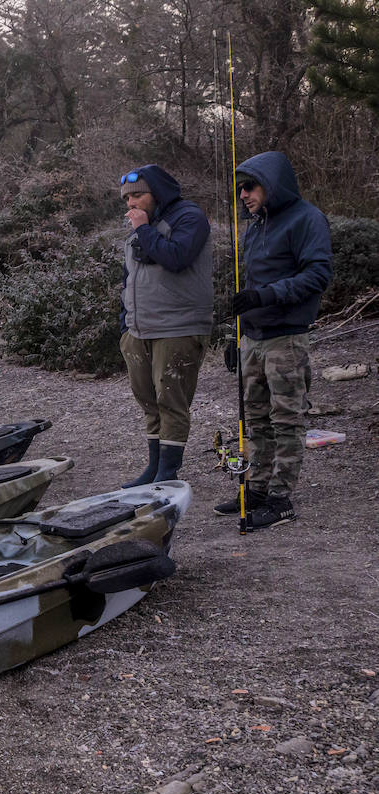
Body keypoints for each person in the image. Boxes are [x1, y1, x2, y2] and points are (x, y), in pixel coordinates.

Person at [214, 151, 332, 531]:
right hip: (255, 338)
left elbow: (317, 275)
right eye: (240, 189)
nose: (244, 195)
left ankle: (281, 499)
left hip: (286, 340)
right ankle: (257, 488)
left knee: (286, 419)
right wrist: (239, 333)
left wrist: (267, 297)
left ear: (272, 184)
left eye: (250, 186)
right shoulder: (255, 226)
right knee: (257, 420)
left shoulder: (307, 219)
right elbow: (249, 286)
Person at [116, 165, 214, 487]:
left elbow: (176, 257)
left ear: (156, 194)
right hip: (139, 330)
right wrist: (125, 324)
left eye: (138, 195)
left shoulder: (189, 218)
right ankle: (153, 469)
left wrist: (144, 229)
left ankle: (167, 475)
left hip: (178, 327)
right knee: (149, 401)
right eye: (127, 197)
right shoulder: (140, 224)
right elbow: (129, 277)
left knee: (171, 401)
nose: (131, 203)